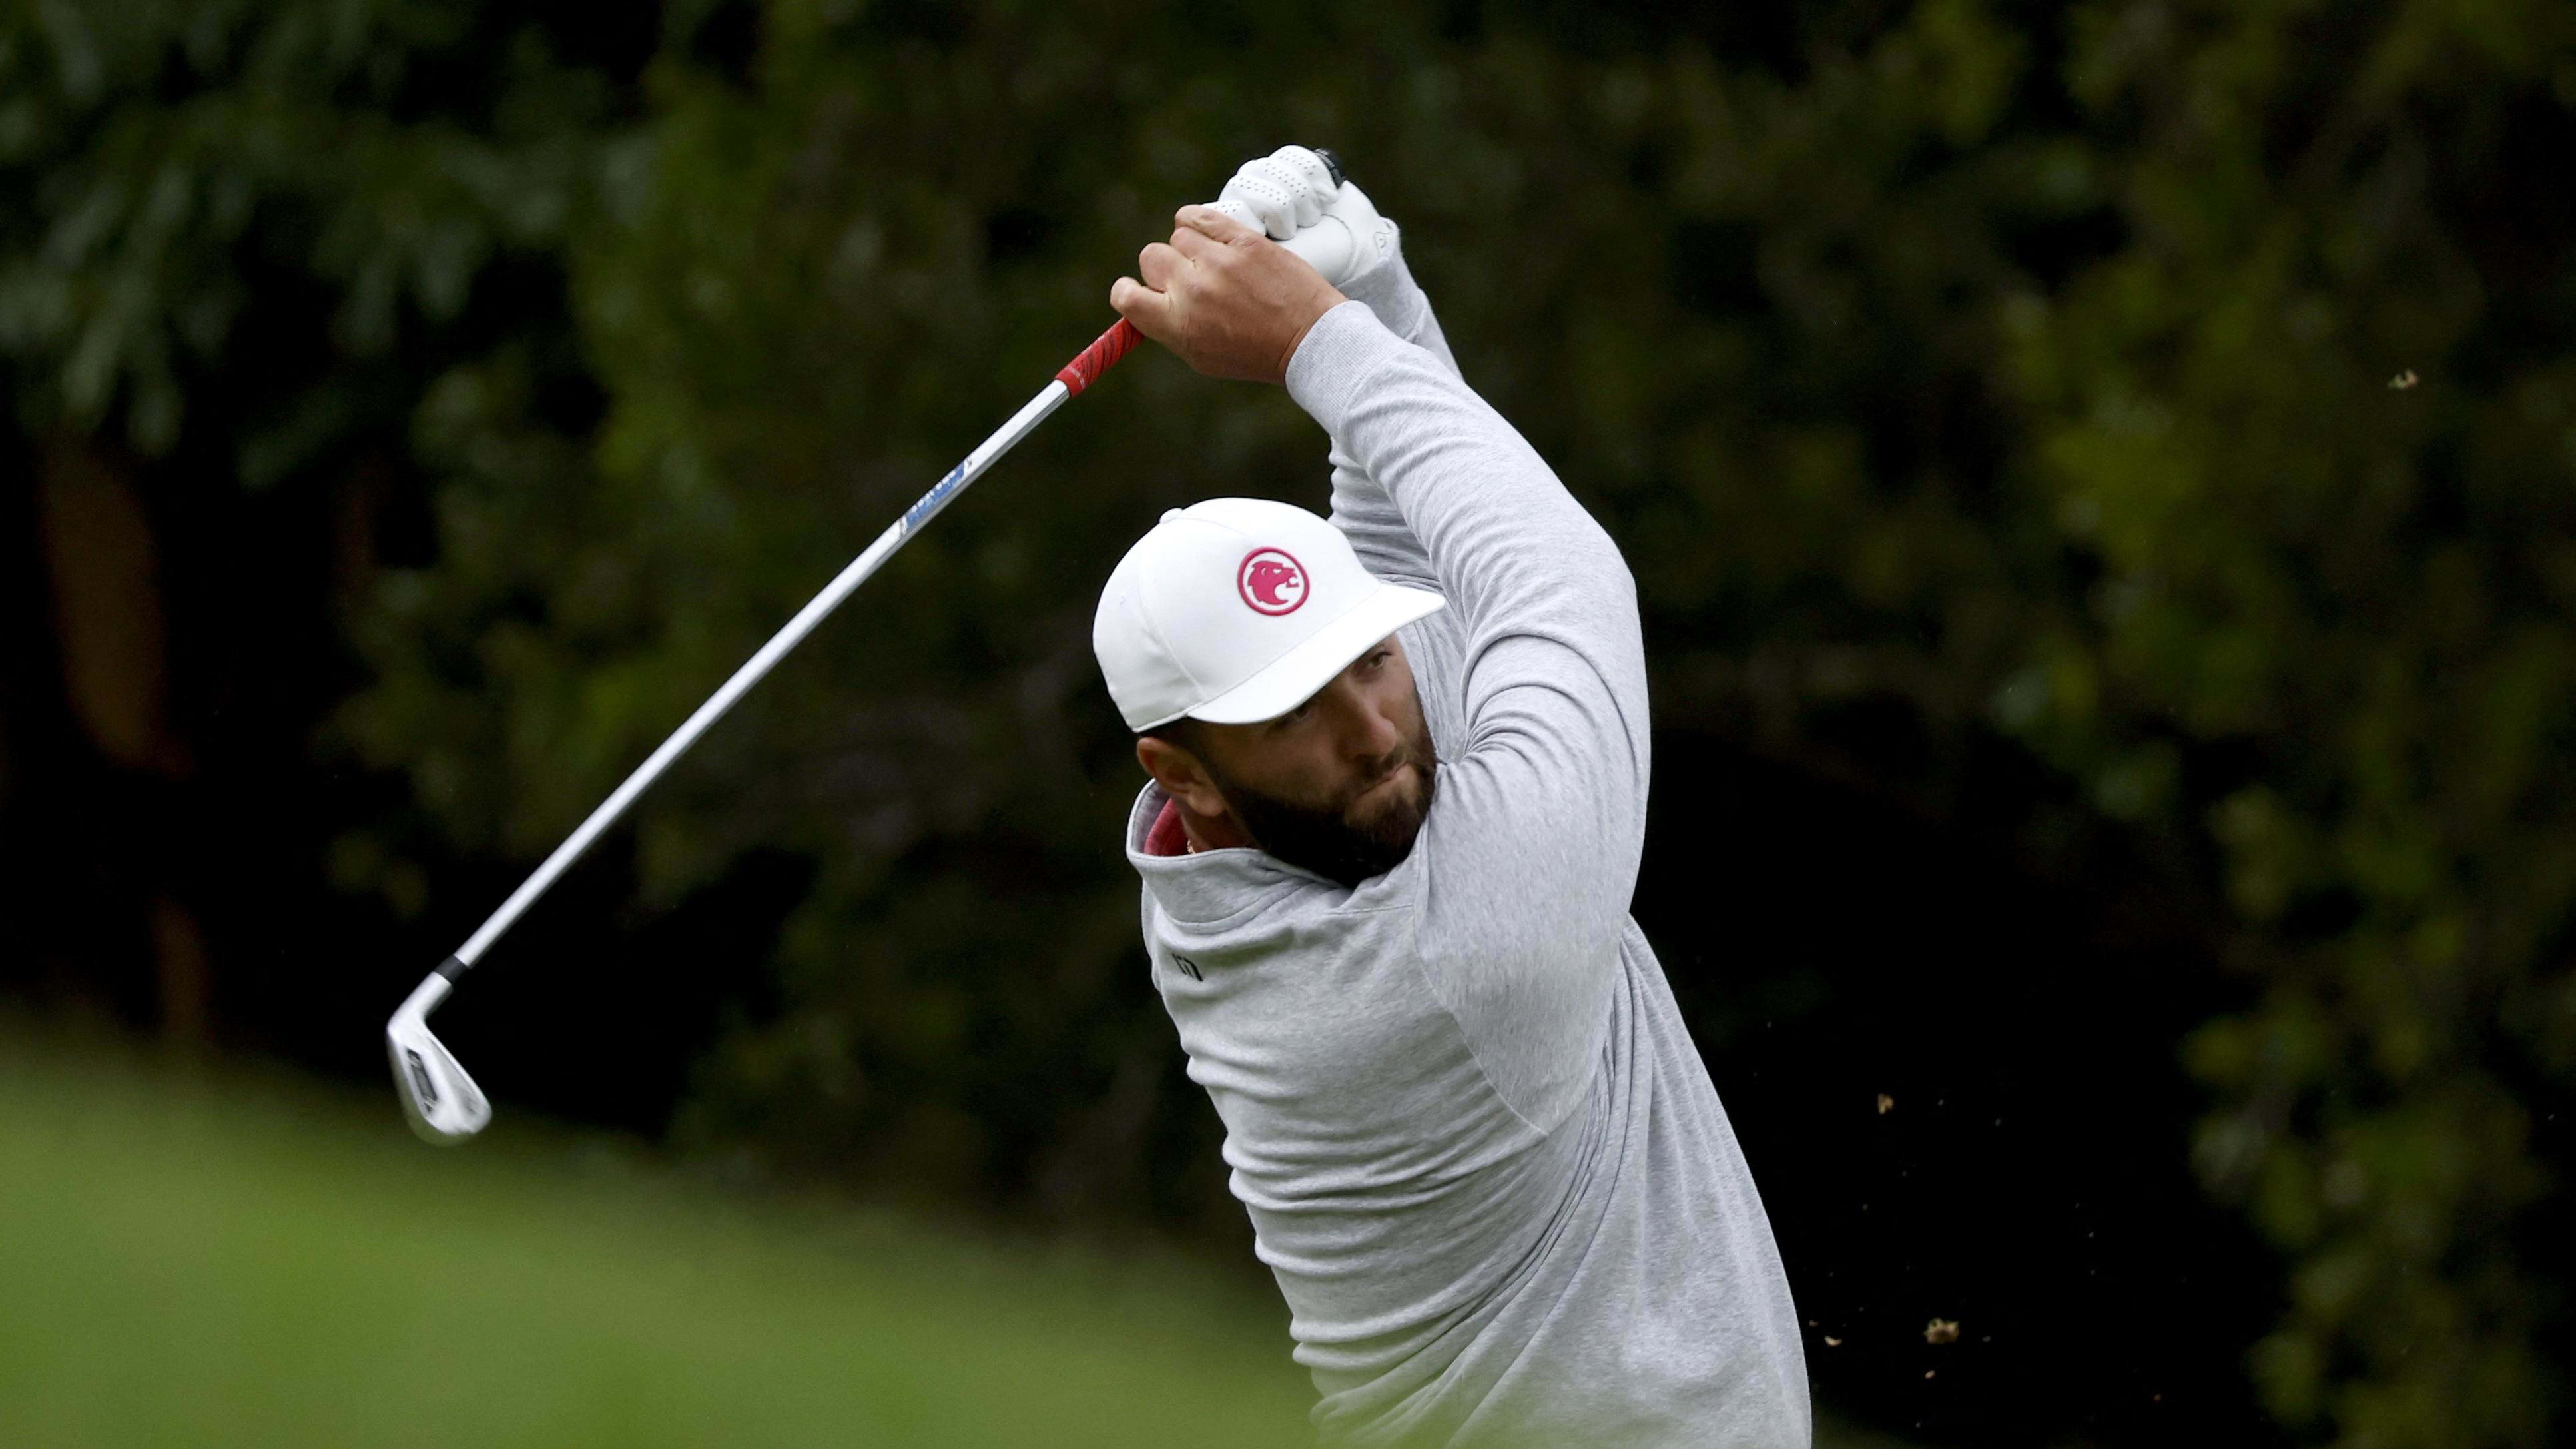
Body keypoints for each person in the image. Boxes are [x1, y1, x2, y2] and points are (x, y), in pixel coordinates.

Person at [1090, 151, 1810, 1447]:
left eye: (1362, 662)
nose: (1370, 731)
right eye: (1293, 710)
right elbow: (1557, 578)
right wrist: (1319, 339)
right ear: (1180, 773)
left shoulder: (1233, 858)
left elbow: (1413, 557)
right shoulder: (1452, 958)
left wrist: (1373, 296)